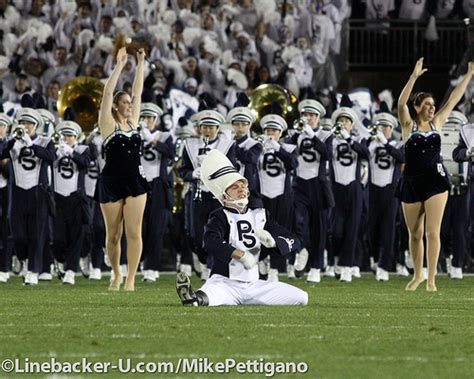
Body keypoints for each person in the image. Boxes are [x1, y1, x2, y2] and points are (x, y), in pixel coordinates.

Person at [175, 149, 308, 307]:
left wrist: (274, 243)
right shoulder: (219, 215)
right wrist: (240, 255)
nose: (242, 190)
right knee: (210, 296)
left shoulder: (261, 215)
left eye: (243, 186)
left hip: (254, 284)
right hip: (225, 283)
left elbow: (295, 240)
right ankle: (193, 298)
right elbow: (210, 242)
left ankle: (199, 298)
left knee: (302, 297)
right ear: (224, 195)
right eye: (235, 187)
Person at [397, 58, 473, 291]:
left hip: (436, 181)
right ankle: (417, 274)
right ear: (418, 107)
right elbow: (401, 104)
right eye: (427, 105)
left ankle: (431, 279)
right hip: (411, 182)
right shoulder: (408, 125)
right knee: (415, 234)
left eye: (433, 105)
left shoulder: (437, 123)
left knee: (432, 232)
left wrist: (469, 74)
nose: (432, 108)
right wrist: (414, 77)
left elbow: (453, 99)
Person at [94, 47, 148, 291]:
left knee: (134, 233)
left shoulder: (134, 122)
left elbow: (138, 92)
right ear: (115, 107)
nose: (129, 104)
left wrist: (140, 64)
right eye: (124, 102)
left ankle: (131, 279)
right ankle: (116, 273)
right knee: (113, 235)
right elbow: (107, 94)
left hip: (135, 181)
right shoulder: (108, 124)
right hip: (111, 182)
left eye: (129, 103)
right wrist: (119, 66)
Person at [290, 100, 333, 284]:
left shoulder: (326, 134)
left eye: (312, 115)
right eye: (305, 115)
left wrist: (313, 137)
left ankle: (315, 268)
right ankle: (302, 250)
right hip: (299, 185)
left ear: (318, 118)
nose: (308, 118)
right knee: (297, 222)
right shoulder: (295, 135)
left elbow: (327, 154)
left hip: (318, 185)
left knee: (319, 228)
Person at [366, 112, 405, 282]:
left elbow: (401, 158)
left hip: (391, 193)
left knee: (388, 230)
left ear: (391, 128)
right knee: (372, 230)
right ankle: (374, 258)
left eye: (386, 127)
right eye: (380, 127)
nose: (383, 129)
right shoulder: (369, 144)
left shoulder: (398, 144)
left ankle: (384, 266)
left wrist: (385, 143)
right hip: (373, 192)